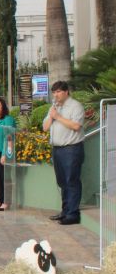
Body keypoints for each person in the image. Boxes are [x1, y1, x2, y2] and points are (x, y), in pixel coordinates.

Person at [43, 81, 86, 225]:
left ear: (66, 92)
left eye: (58, 92)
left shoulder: (75, 106)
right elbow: (45, 127)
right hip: (57, 149)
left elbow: (76, 126)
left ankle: (73, 214)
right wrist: (51, 116)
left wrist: (58, 117)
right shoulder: (54, 107)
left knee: (71, 180)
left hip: (71, 149)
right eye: (54, 92)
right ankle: (65, 211)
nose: (55, 95)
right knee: (62, 181)